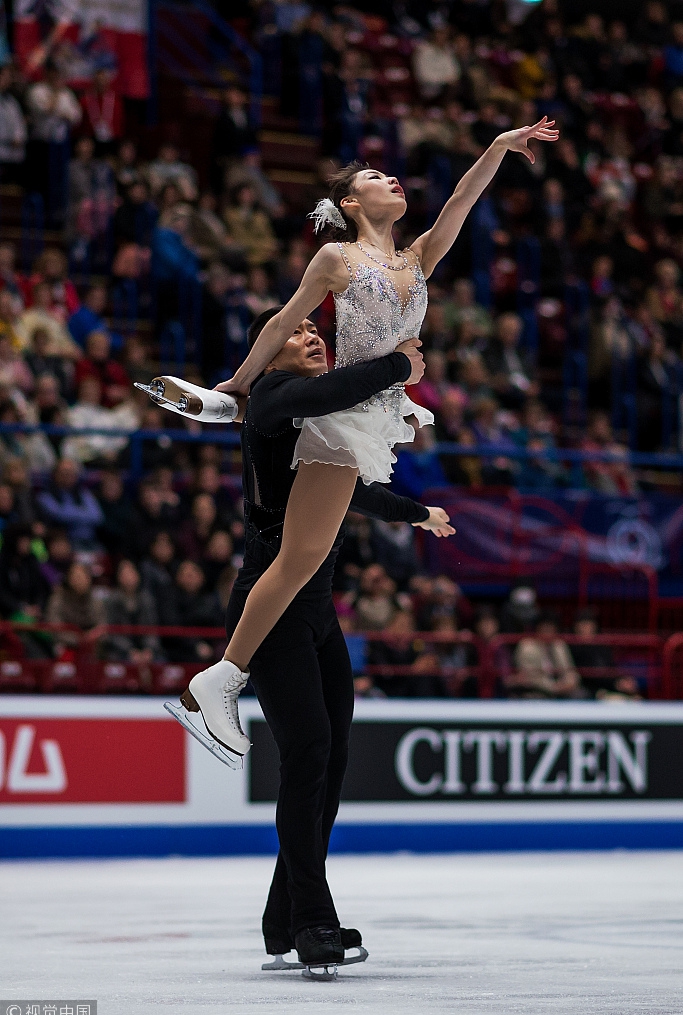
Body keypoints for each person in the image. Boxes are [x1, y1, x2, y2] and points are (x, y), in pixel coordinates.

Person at [189, 118, 558, 759]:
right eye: (374, 177)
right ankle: (223, 676)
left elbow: (462, 200)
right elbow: (283, 320)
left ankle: (225, 675)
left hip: (377, 415)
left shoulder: (417, 258)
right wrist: (238, 384)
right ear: (351, 203)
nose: (392, 179)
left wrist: (498, 147)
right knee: (298, 561)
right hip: (349, 412)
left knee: (305, 558)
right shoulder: (337, 258)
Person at [212, 310, 451, 969]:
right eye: (294, 331)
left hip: (316, 611)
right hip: (271, 607)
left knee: (332, 758)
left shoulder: (310, 419)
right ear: (266, 354)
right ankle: (314, 920)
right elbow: (335, 389)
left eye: (314, 330)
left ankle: (284, 919)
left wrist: (417, 513)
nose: (311, 335)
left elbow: (354, 492)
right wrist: (399, 364)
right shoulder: (270, 399)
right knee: (308, 753)